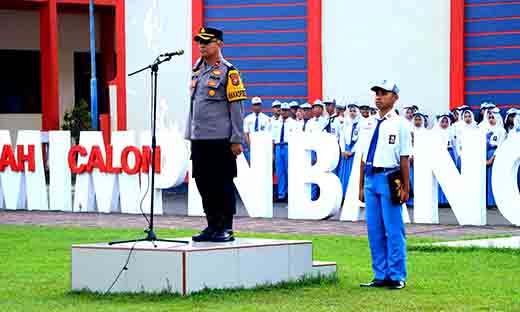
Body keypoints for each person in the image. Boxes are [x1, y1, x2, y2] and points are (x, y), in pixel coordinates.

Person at [186, 27, 246, 243]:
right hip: (200, 139)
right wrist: (189, 134)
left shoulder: (229, 72)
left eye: (207, 42)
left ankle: (226, 227)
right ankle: (212, 225)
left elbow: (237, 108)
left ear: (219, 44)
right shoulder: (196, 70)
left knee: (222, 183)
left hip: (220, 139)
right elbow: (194, 107)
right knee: (203, 182)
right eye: (199, 42)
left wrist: (237, 138)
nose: (202, 45)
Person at [359, 80, 410, 290]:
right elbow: (363, 157)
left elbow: (405, 158)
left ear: (395, 98)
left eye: (384, 93)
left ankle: (397, 275)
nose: (379, 97)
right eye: (377, 93)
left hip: (390, 176)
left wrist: (406, 187)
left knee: (394, 228)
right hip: (371, 177)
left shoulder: (400, 124)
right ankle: (380, 274)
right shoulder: (368, 123)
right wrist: (360, 185)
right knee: (374, 229)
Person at [271, 102, 297, 202]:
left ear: (289, 111)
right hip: (278, 147)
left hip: (288, 147)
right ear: (280, 111)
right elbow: (273, 139)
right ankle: (281, 194)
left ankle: (290, 193)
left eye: (286, 110)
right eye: (283, 110)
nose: (284, 112)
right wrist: (273, 152)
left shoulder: (293, 123)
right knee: (279, 172)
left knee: (289, 171)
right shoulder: (276, 123)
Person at [434, 113, 458, 206]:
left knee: (449, 178)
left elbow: (455, 145)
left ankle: (448, 200)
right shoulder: (436, 132)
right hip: (440, 155)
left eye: (446, 122)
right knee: (440, 178)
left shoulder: (451, 132)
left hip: (450, 153)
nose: (444, 124)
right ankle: (440, 200)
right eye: (442, 122)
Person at [338, 103, 361, 196]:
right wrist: (343, 150)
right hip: (345, 152)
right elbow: (341, 137)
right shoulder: (345, 123)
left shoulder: (360, 124)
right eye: (350, 111)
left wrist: (352, 151)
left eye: (354, 111)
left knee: (353, 174)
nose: (352, 113)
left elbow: (361, 140)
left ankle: (351, 195)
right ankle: (342, 194)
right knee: (343, 173)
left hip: (354, 152)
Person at [485, 108, 506, 208]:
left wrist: (491, 159)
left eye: (493, 117)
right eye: (489, 117)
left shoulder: (501, 131)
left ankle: (495, 202)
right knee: (486, 180)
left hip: (495, 155)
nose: (491, 119)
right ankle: (487, 202)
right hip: (485, 154)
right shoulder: (485, 130)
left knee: (494, 179)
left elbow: (500, 146)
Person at [243, 96, 270, 161]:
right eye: (255, 105)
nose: (257, 107)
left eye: (258, 105)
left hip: (263, 146)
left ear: (261, 106)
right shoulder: (247, 119)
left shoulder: (267, 119)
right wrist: (250, 146)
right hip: (251, 145)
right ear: (252, 106)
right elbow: (246, 133)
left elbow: (267, 134)